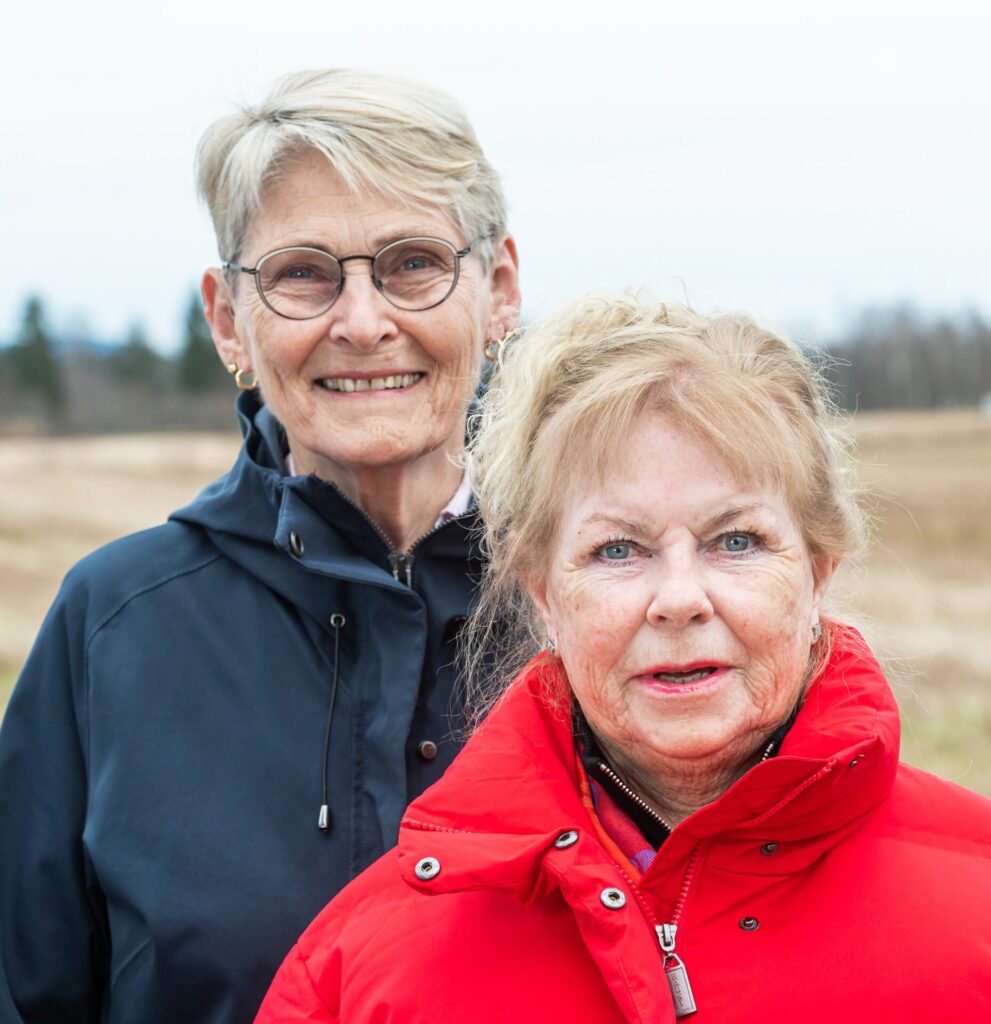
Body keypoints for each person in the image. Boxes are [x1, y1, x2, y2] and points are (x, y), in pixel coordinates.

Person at [256, 296, 991, 1023]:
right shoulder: (365, 968)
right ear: (542, 595)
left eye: (735, 540)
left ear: (816, 570)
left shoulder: (975, 901)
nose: (678, 599)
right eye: (617, 550)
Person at [0, 69, 519, 1023]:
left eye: (412, 263)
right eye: (302, 274)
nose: (363, 324)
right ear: (227, 318)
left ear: (497, 290)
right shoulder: (115, 624)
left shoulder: (604, 608)